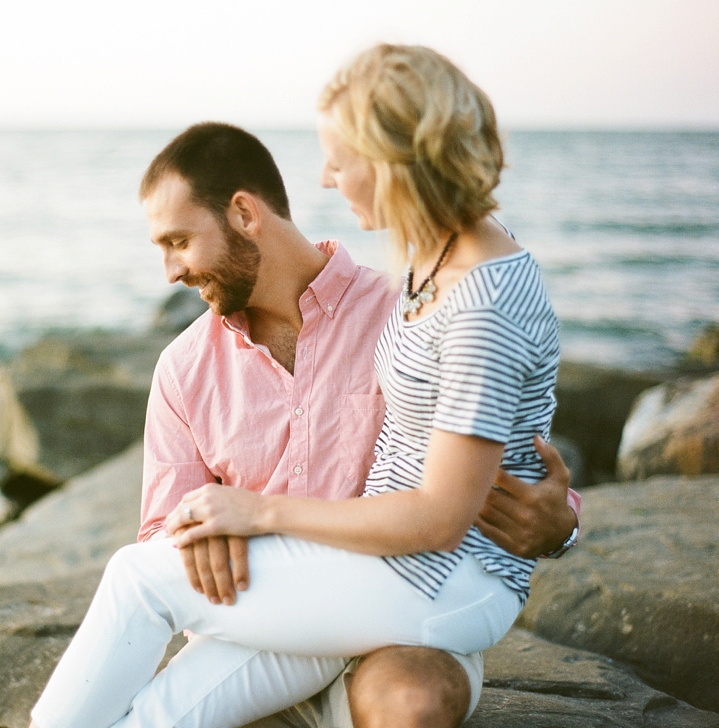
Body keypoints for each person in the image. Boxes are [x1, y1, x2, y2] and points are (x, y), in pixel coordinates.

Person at [31, 44, 579, 728]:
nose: (325, 180)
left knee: (138, 582)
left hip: (420, 581)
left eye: (339, 161)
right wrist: (220, 535)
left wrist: (562, 524)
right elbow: (169, 529)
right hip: (337, 585)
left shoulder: (455, 298)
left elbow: (467, 491)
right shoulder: (428, 274)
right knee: (157, 713)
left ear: (393, 160)